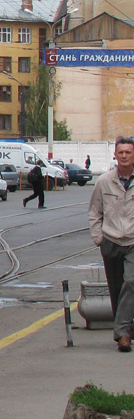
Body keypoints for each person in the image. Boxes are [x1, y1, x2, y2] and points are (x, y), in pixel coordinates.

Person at [89, 136, 134, 352]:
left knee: (131, 282)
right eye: (121, 152)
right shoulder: (104, 181)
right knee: (116, 289)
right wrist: (99, 239)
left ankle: (122, 335)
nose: (124, 156)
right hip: (111, 241)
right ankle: (127, 327)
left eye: (129, 152)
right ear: (115, 155)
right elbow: (94, 212)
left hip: (133, 241)